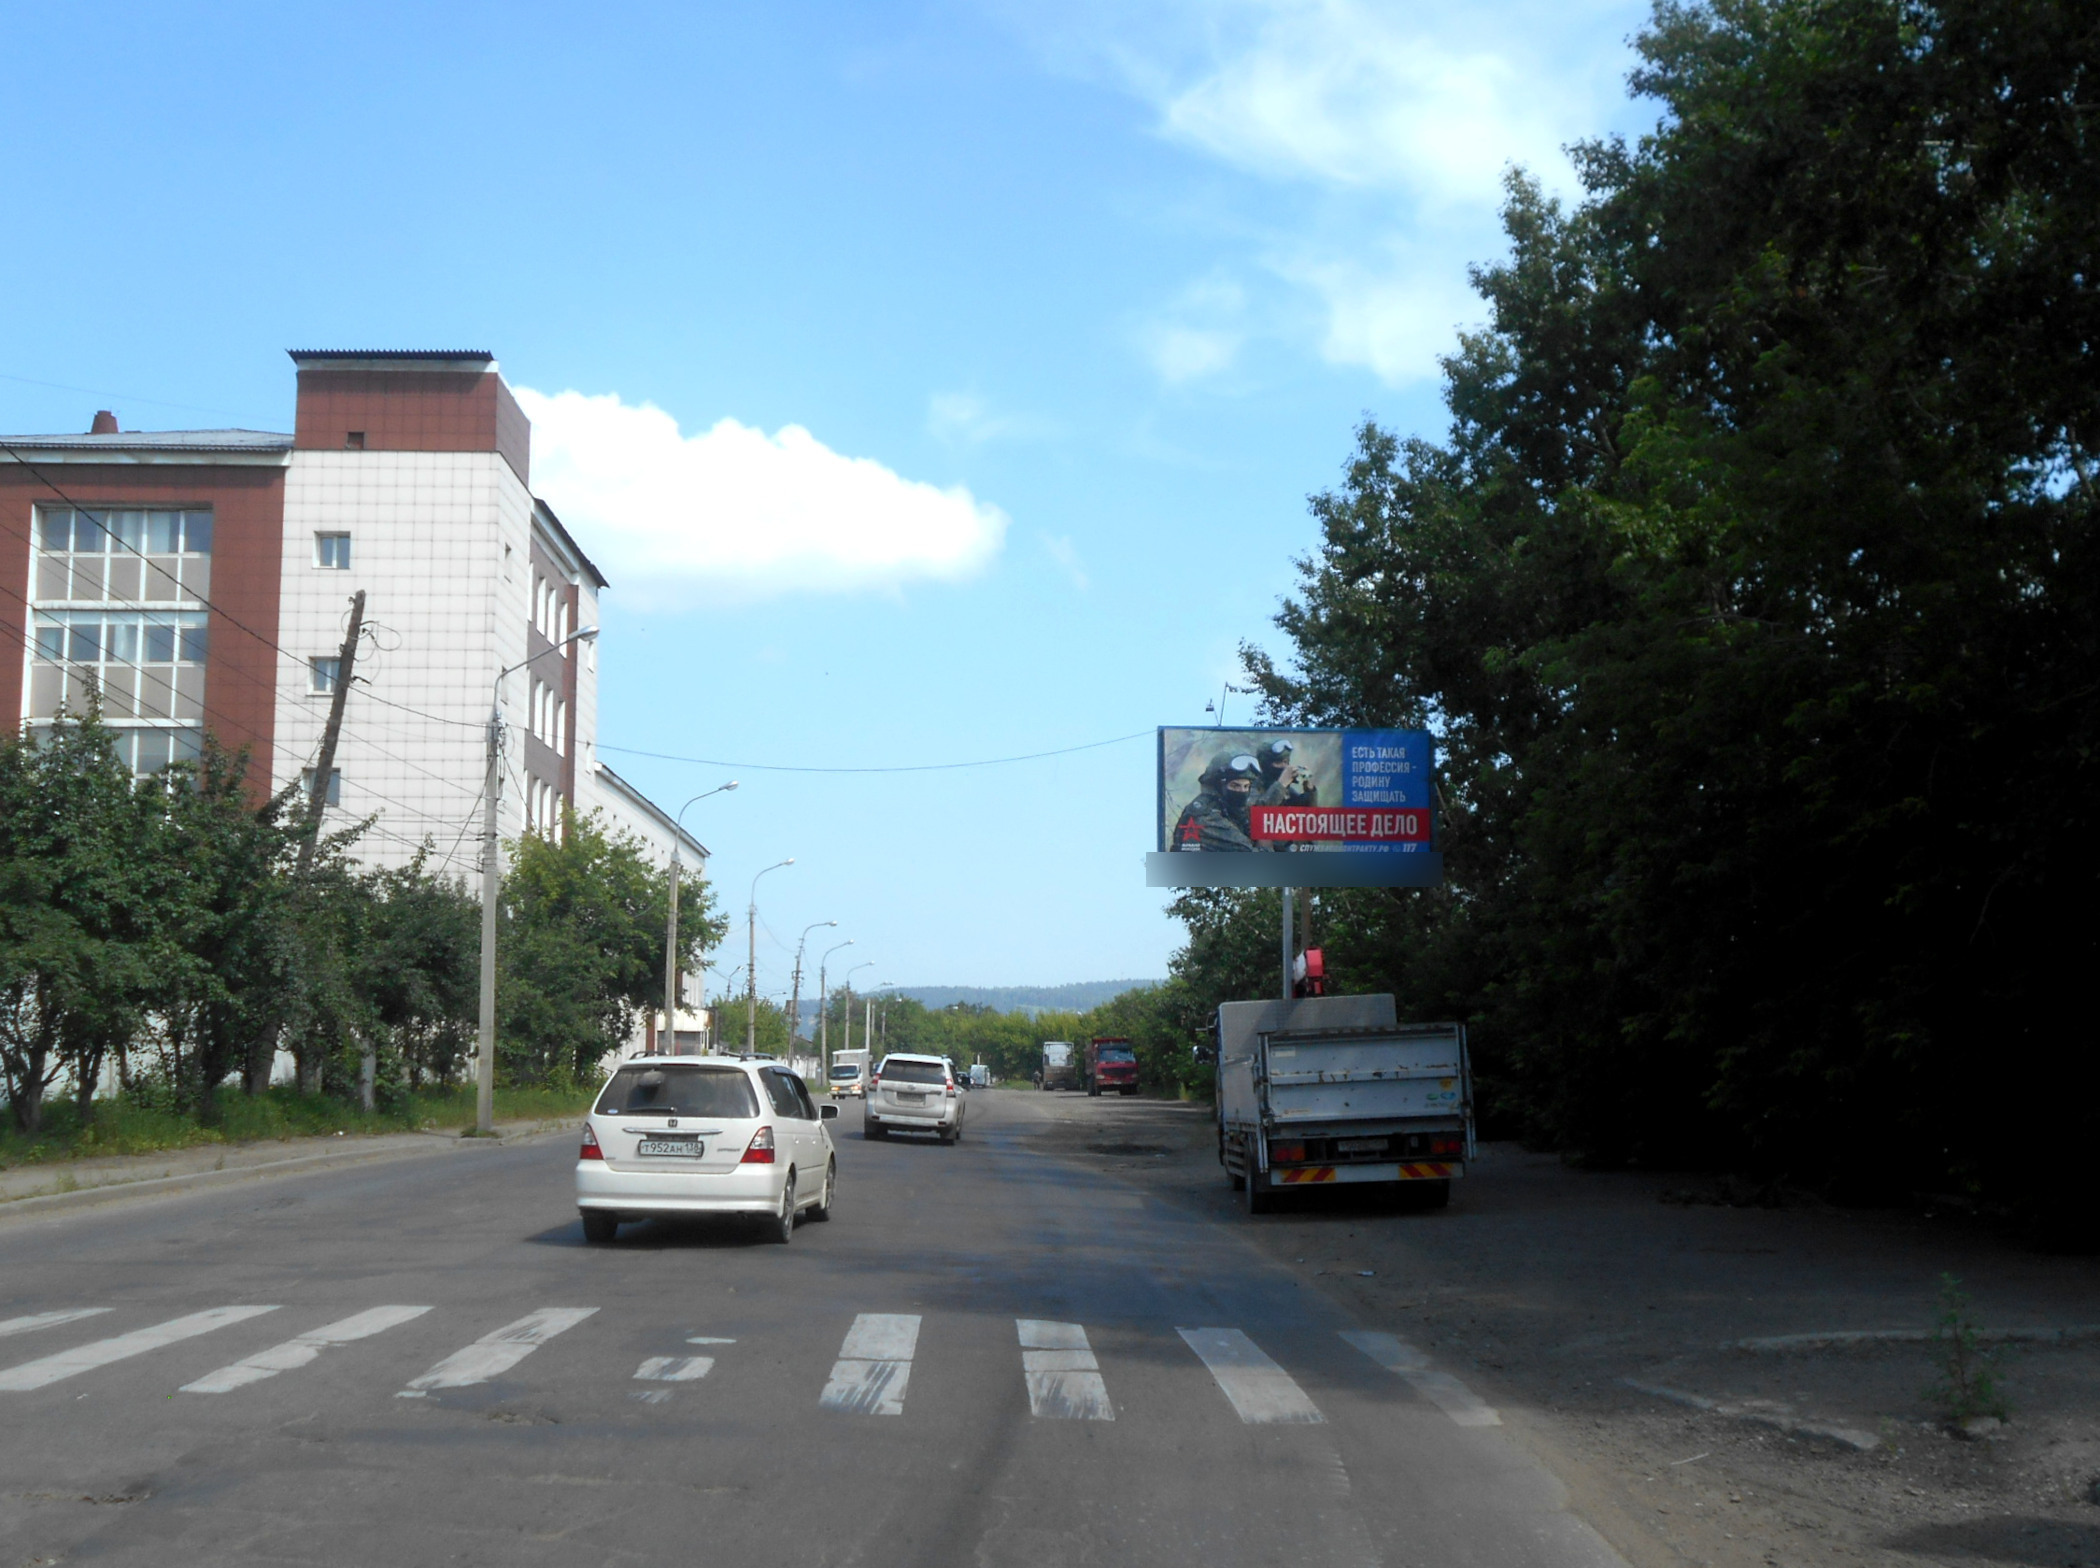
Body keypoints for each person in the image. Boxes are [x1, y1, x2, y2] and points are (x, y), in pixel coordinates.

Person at [1169, 750, 1261, 851]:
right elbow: (1246, 851)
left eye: (1246, 786)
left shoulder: (1228, 809)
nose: (1242, 791)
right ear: (1219, 785)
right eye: (1235, 785)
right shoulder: (1206, 815)